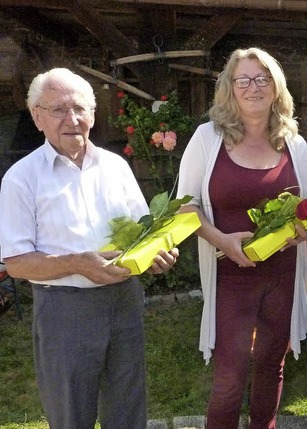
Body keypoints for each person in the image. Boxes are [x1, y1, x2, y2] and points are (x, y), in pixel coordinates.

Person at [0, 68, 178, 429]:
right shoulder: (21, 178)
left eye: (79, 108)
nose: (72, 119)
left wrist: (159, 255)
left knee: (128, 411)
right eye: (57, 110)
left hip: (124, 303)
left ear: (93, 115)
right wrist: (78, 263)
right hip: (65, 310)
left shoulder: (116, 166)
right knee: (71, 416)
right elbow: (17, 263)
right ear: (37, 117)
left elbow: (144, 233)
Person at [177, 47, 307, 429]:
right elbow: (183, 207)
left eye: (263, 78)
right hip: (230, 276)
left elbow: (306, 209)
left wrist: (302, 230)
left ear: (276, 86)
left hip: (282, 275)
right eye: (244, 79)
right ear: (230, 88)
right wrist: (221, 240)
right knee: (229, 377)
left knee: (272, 364)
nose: (253, 87)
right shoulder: (208, 139)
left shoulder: (295, 144)